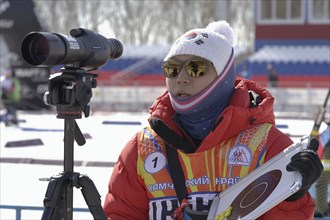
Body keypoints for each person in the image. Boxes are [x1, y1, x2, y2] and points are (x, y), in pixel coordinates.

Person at [103, 20, 323, 219]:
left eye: (195, 68)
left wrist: (292, 199)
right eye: (172, 68)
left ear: (223, 77)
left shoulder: (268, 146)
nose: (181, 78)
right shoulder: (141, 150)